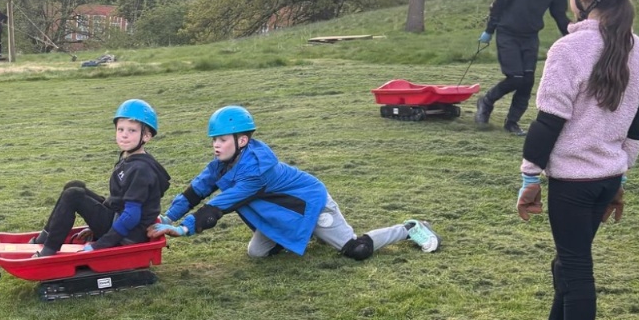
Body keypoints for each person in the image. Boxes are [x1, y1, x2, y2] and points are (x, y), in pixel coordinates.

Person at [510, 0, 639, 320]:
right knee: (567, 262)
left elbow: (547, 123)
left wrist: (530, 179)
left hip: (573, 183)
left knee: (575, 269)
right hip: (605, 179)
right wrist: (621, 174)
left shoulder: (568, 50)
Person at [153, 105, 439, 261]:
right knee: (257, 254)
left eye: (222, 139)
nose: (216, 145)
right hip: (283, 213)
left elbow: (218, 206)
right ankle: (306, 234)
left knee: (356, 250)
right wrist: (167, 217)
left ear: (242, 140)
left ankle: (410, 228)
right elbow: (197, 190)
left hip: (310, 203)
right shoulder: (221, 164)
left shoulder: (256, 171)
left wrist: (184, 228)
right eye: (214, 139)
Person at [34, 100, 170, 256]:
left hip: (129, 235)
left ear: (146, 136)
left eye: (132, 130)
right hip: (117, 218)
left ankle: (48, 251)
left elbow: (131, 216)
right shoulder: (129, 158)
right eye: (120, 129)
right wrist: (94, 225)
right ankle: (44, 238)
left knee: (73, 195)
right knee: (74, 186)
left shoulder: (141, 170)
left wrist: (101, 244)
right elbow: (117, 201)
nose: (124, 134)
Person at [474, 0, 569, 135]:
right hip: (507, 34)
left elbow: (559, 15)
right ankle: (486, 102)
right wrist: (489, 30)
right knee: (516, 77)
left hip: (530, 37)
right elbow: (499, 3)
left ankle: (512, 122)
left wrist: (573, 36)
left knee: (527, 81)